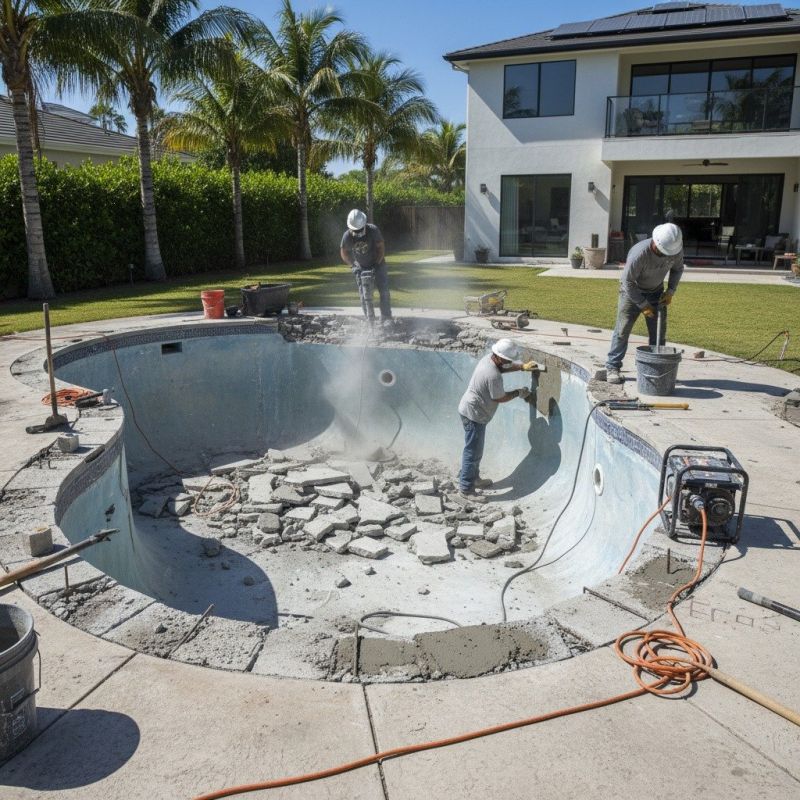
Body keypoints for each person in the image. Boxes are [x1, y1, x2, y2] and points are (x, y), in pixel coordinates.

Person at [457, 338, 537, 503]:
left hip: (473, 410)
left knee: (476, 449)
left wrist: (522, 367)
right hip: (474, 414)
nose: (509, 362)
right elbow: (500, 397)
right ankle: (466, 488)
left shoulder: (488, 359)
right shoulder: (493, 375)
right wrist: (518, 392)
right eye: (507, 360)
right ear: (499, 357)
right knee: (472, 451)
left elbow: (503, 368)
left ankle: (474, 478)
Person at [606, 222, 685, 385]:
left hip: (656, 292)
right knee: (622, 330)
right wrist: (643, 304)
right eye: (662, 252)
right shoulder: (639, 253)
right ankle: (612, 367)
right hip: (631, 292)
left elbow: (678, 269)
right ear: (655, 242)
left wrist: (670, 291)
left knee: (658, 335)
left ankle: (658, 369)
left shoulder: (675, 250)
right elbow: (627, 282)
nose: (665, 255)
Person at [340, 208, 391, 321]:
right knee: (364, 295)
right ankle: (369, 319)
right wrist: (352, 266)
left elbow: (381, 248)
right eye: (355, 230)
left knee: (384, 292)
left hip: (378, 264)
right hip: (361, 268)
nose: (357, 232)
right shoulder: (347, 235)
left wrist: (377, 264)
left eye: (359, 230)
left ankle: (386, 318)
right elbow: (343, 253)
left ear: (364, 224)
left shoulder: (373, 230)